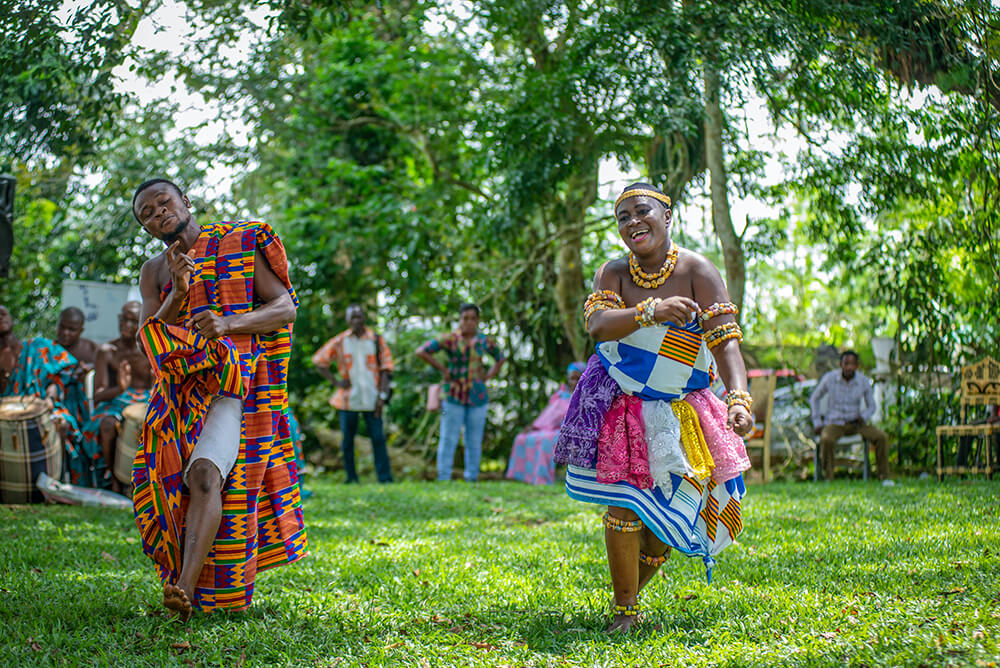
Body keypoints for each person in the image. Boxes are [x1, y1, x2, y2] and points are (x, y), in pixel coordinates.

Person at [554, 182, 753, 633]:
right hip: (621, 402)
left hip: (682, 408)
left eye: (641, 212)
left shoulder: (698, 270)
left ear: (668, 216)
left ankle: (625, 598)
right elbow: (598, 325)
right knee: (625, 505)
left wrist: (738, 397)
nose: (632, 223)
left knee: (667, 518)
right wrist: (650, 311)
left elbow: (725, 340)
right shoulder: (614, 272)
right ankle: (625, 612)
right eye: (622, 218)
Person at [132, 178, 306, 620]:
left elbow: (285, 307)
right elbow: (149, 338)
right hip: (177, 395)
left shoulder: (239, 244)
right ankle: (184, 584)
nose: (159, 214)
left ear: (185, 202)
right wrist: (177, 290)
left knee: (206, 475)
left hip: (231, 386)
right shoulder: (153, 271)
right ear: (147, 229)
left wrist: (229, 324)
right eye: (147, 214)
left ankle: (183, 591)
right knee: (167, 488)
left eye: (163, 203)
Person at [417, 304, 505, 482]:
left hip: (477, 396)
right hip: (453, 396)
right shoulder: (450, 339)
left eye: (473, 318)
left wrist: (488, 376)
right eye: (465, 318)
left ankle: (471, 478)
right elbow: (422, 351)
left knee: (474, 441)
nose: (469, 322)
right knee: (448, 438)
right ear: (460, 319)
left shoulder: (483, 341)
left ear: (478, 321)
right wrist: (443, 369)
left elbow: (500, 358)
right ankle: (444, 477)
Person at [0, 304, 90, 476]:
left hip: (41, 406)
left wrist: (49, 398)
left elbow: (54, 380)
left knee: (61, 422)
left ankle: (57, 478)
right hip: (7, 412)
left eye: (3, 313)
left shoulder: (38, 347)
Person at [311, 304, 394, 484]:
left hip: (373, 398)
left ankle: (385, 478)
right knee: (347, 441)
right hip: (349, 399)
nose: (356, 320)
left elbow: (386, 369)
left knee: (378, 439)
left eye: (359, 316)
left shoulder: (376, 340)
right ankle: (351, 478)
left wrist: (382, 397)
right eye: (352, 317)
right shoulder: (341, 341)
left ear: (364, 318)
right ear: (348, 321)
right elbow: (319, 360)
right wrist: (335, 381)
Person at [78, 301, 153, 492]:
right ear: (119, 319)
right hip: (115, 401)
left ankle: (146, 481)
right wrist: (120, 388)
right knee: (107, 425)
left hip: (146, 402)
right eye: (125, 319)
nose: (128, 325)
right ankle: (113, 478)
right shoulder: (107, 351)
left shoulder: (150, 349)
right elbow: (98, 395)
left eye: (133, 321)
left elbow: (158, 385)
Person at [810, 350, 890, 483]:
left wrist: (863, 417)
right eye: (846, 363)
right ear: (840, 364)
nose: (849, 367)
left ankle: (884, 476)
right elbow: (814, 398)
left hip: (856, 424)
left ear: (857, 366)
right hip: (834, 423)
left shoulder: (863, 381)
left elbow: (872, 406)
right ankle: (828, 476)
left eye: (852, 364)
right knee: (827, 440)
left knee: (881, 437)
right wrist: (817, 422)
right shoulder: (830, 378)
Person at [505, 362, 584, 485]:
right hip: (548, 428)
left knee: (545, 440)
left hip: (569, 432)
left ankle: (542, 479)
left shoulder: (585, 397)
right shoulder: (560, 396)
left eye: (577, 378)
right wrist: (533, 426)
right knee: (521, 438)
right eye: (571, 379)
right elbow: (547, 415)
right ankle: (522, 476)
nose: (573, 382)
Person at [55, 307, 98, 371]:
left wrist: (92, 370)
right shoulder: (48, 349)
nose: (65, 332)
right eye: (62, 326)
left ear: (81, 331)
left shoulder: (92, 349)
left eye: (71, 329)